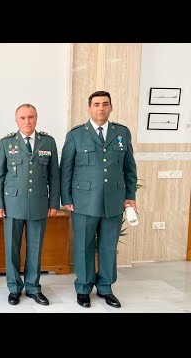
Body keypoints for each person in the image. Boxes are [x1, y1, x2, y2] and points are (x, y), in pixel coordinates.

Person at [60, 91, 137, 308]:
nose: (100, 108)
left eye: (105, 104)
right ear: (89, 108)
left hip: (114, 200)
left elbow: (129, 167)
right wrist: (66, 198)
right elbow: (66, 168)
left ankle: (105, 288)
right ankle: (83, 288)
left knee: (108, 246)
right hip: (83, 201)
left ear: (111, 107)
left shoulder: (122, 132)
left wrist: (130, 196)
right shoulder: (76, 135)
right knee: (83, 246)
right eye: (96, 104)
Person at [0, 103, 60, 306]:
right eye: (22, 118)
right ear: (16, 121)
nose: (27, 121)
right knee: (12, 248)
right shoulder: (6, 143)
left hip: (39, 202)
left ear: (36, 119)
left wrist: (54, 201)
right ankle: (14, 288)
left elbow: (54, 175)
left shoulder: (48, 142)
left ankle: (32, 287)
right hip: (12, 203)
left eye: (31, 117)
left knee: (35, 248)